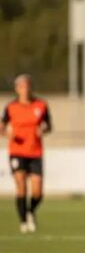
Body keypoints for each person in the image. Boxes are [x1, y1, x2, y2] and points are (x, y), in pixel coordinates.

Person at [1, 74, 51, 234]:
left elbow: (49, 126)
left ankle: (30, 211)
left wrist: (43, 129)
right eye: (22, 87)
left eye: (27, 86)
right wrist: (8, 134)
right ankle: (23, 221)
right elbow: (1, 127)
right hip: (17, 151)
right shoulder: (10, 107)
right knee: (21, 185)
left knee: (38, 191)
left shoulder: (41, 105)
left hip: (35, 152)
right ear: (17, 89)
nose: (25, 89)